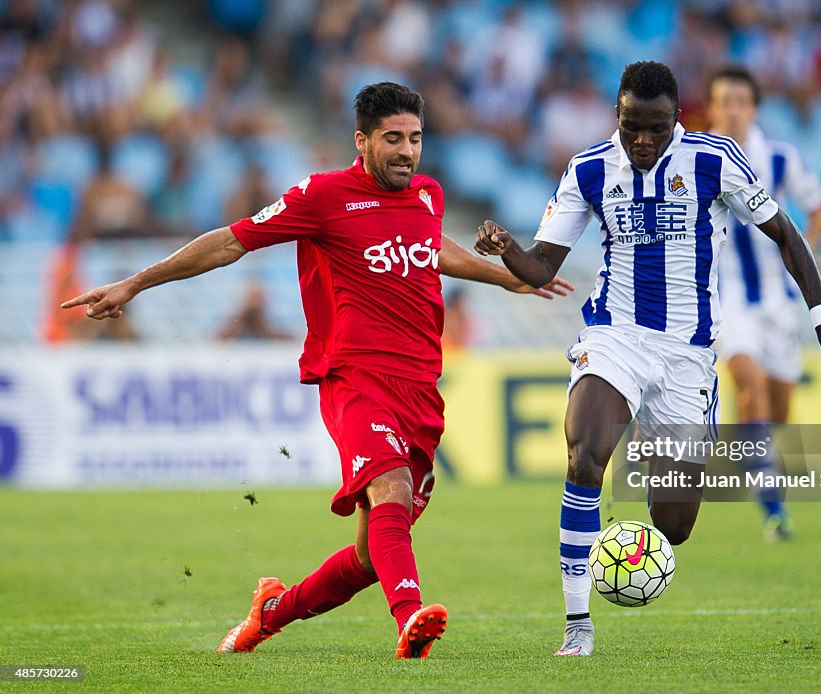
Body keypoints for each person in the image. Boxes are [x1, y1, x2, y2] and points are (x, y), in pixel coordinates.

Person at [62, 81, 572, 660]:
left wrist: (514, 276)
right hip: (354, 379)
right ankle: (411, 621)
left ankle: (270, 613)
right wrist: (135, 282)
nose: (407, 152)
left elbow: (437, 250)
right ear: (361, 141)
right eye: (393, 140)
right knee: (392, 492)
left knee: (368, 557)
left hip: (421, 388)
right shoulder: (322, 196)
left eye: (416, 139)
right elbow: (230, 243)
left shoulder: (428, 194)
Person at [474, 61, 821, 657]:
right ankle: (578, 627)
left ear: (678, 118)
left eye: (656, 127)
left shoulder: (714, 159)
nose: (643, 141)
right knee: (585, 458)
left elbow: (785, 232)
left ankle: (641, 516)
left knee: (674, 524)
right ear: (617, 117)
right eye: (632, 127)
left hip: (688, 355)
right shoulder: (590, 167)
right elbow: (542, 265)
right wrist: (508, 250)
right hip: (614, 335)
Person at [706, 65, 821, 541]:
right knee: (750, 387)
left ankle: (756, 461)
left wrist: (802, 260)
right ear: (712, 108)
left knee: (778, 411)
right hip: (726, 298)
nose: (733, 109)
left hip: (779, 302)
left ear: (753, 108)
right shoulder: (699, 157)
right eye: (724, 101)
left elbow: (819, 210)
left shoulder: (780, 157)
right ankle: (773, 511)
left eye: (741, 100)